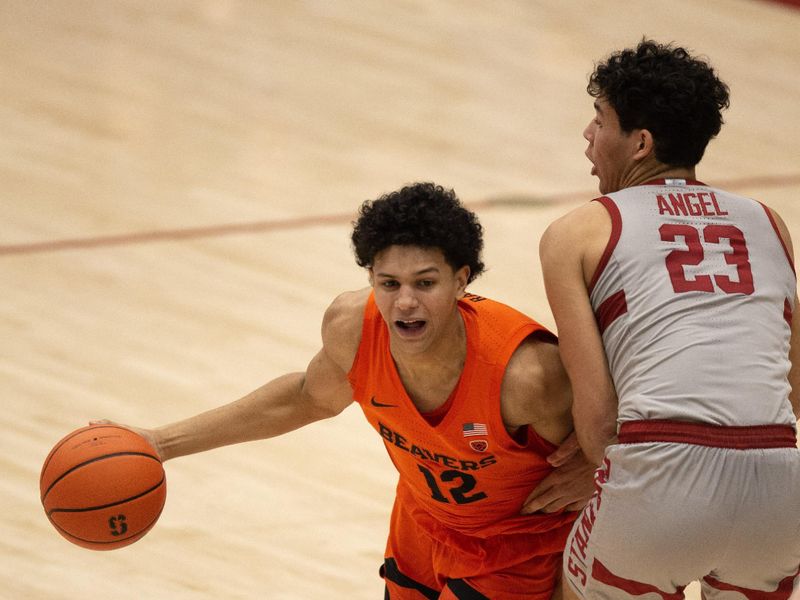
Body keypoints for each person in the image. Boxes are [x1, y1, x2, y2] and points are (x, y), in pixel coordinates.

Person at [113, 182, 594, 599]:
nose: (405, 302)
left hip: (514, 549)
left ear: (461, 281)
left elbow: (629, 439)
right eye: (389, 283)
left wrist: (598, 465)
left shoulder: (529, 377)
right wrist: (159, 444)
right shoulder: (353, 328)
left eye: (425, 283)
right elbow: (304, 397)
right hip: (420, 526)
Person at [539, 39, 800, 599]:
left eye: (600, 118)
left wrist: (619, 476)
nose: (588, 133)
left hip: (660, 473)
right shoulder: (770, 222)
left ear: (640, 143)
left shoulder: (579, 232)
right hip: (778, 481)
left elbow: (598, 416)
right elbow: (795, 388)